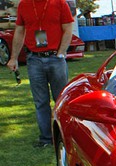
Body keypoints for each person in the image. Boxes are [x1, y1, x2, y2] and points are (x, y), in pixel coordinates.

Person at [6, 0, 75, 147]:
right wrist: (13, 58)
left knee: (60, 100)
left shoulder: (60, 3)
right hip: (34, 59)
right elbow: (19, 31)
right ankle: (46, 139)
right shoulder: (24, 4)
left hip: (55, 58)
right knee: (40, 102)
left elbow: (68, 28)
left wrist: (61, 53)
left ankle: (64, 136)